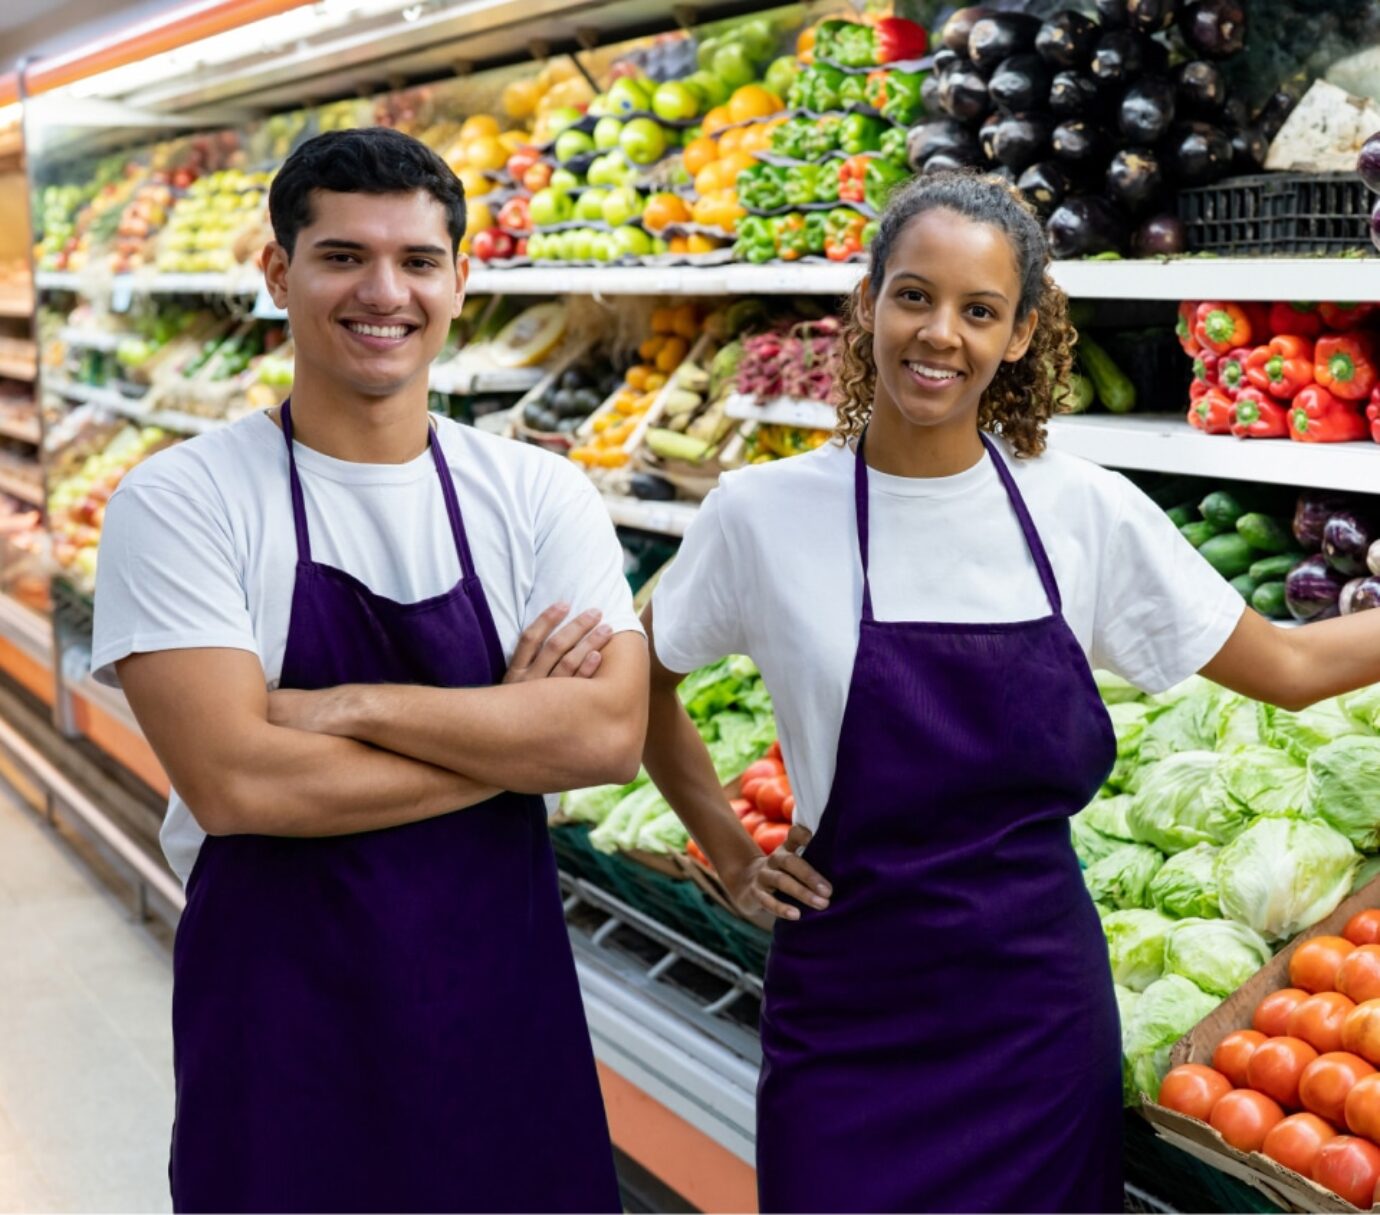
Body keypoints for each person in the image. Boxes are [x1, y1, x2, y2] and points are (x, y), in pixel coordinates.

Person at [641, 170, 1380, 1214]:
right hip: (848, 1011)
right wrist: (725, 851)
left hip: (1032, 1017)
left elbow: (1292, 670)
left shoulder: (1083, 513)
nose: (940, 334)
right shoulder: (763, 513)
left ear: (1022, 334)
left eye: (978, 310)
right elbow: (644, 680)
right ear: (868, 304)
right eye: (913, 296)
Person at [91, 127, 647, 1214]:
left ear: (460, 281)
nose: (383, 292)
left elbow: (606, 739)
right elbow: (242, 783)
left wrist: (348, 706)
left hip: (502, 1010)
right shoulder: (183, 502)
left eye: (417, 261)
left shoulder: (539, 496)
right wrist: (512, 735)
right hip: (282, 1027)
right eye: (343, 256)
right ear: (278, 272)